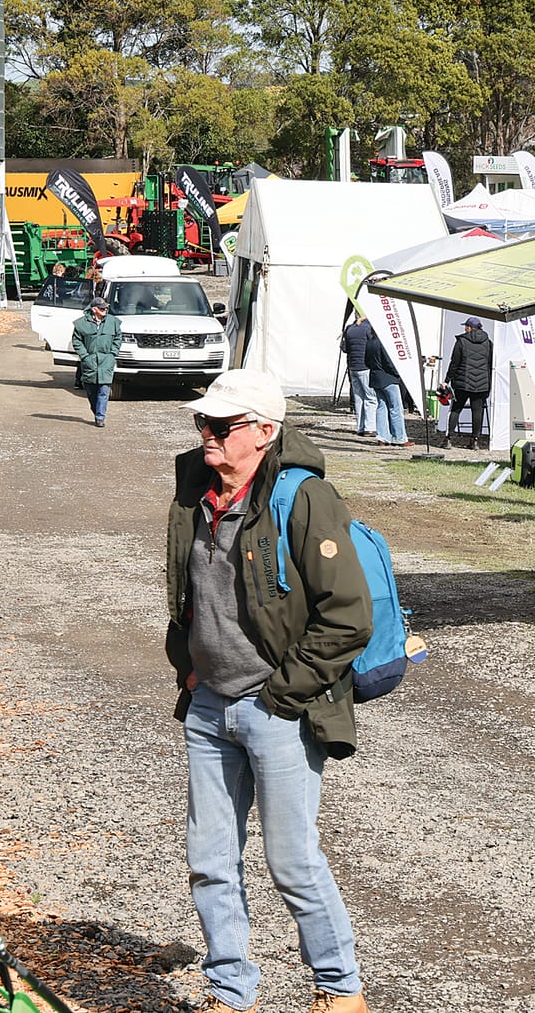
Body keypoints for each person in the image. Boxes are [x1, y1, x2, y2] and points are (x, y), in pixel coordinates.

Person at [165, 368, 371, 1013]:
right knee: (210, 859)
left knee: (292, 861)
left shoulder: (302, 497)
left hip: (276, 709)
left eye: (221, 426)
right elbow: (187, 595)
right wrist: (189, 669)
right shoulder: (195, 493)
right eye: (203, 423)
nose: (207, 436)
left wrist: (284, 693)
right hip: (209, 706)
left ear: (264, 430)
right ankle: (231, 992)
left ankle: (341, 991)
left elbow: (348, 615)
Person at [442, 316, 494, 449]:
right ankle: (474, 441)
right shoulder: (488, 342)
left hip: (462, 383)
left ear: (470, 328)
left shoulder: (462, 341)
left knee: (455, 409)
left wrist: (447, 380)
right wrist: (488, 384)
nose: (465, 329)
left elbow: (454, 363)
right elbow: (490, 365)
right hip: (481, 384)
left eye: (466, 326)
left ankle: (448, 439)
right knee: (477, 412)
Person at [70, 297, 122, 427]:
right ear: (94, 309)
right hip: (90, 361)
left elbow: (118, 338)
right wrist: (85, 356)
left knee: (104, 391)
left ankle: (100, 417)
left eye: (105, 308)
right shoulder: (81, 324)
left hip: (106, 361)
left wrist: (112, 354)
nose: (105, 310)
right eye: (102, 308)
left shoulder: (113, 322)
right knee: (91, 391)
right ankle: (96, 410)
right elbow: (77, 341)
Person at [365, 335, 409, 448]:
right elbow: (389, 362)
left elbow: (366, 361)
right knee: (396, 408)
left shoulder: (370, 342)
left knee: (381, 407)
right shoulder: (384, 342)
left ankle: (382, 437)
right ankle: (399, 437)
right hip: (388, 379)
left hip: (375, 377)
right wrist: (398, 373)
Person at [339, 314, 376, 437]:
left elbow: (344, 348)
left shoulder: (350, 328)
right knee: (370, 398)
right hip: (365, 366)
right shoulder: (369, 328)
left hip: (352, 366)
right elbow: (373, 347)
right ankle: (370, 427)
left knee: (359, 398)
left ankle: (360, 427)